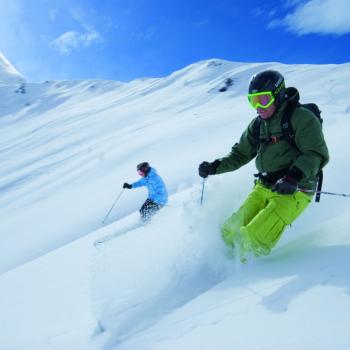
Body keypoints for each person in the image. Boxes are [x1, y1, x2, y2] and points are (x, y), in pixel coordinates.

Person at [198, 70, 329, 262]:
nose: (258, 107)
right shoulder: (258, 125)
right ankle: (216, 273)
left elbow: (316, 153)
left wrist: (293, 176)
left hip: (295, 189)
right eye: (253, 100)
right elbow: (240, 154)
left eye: (264, 99)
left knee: (251, 238)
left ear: (279, 94)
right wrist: (215, 167)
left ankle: (236, 282)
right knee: (229, 231)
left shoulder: (301, 117)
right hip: (265, 184)